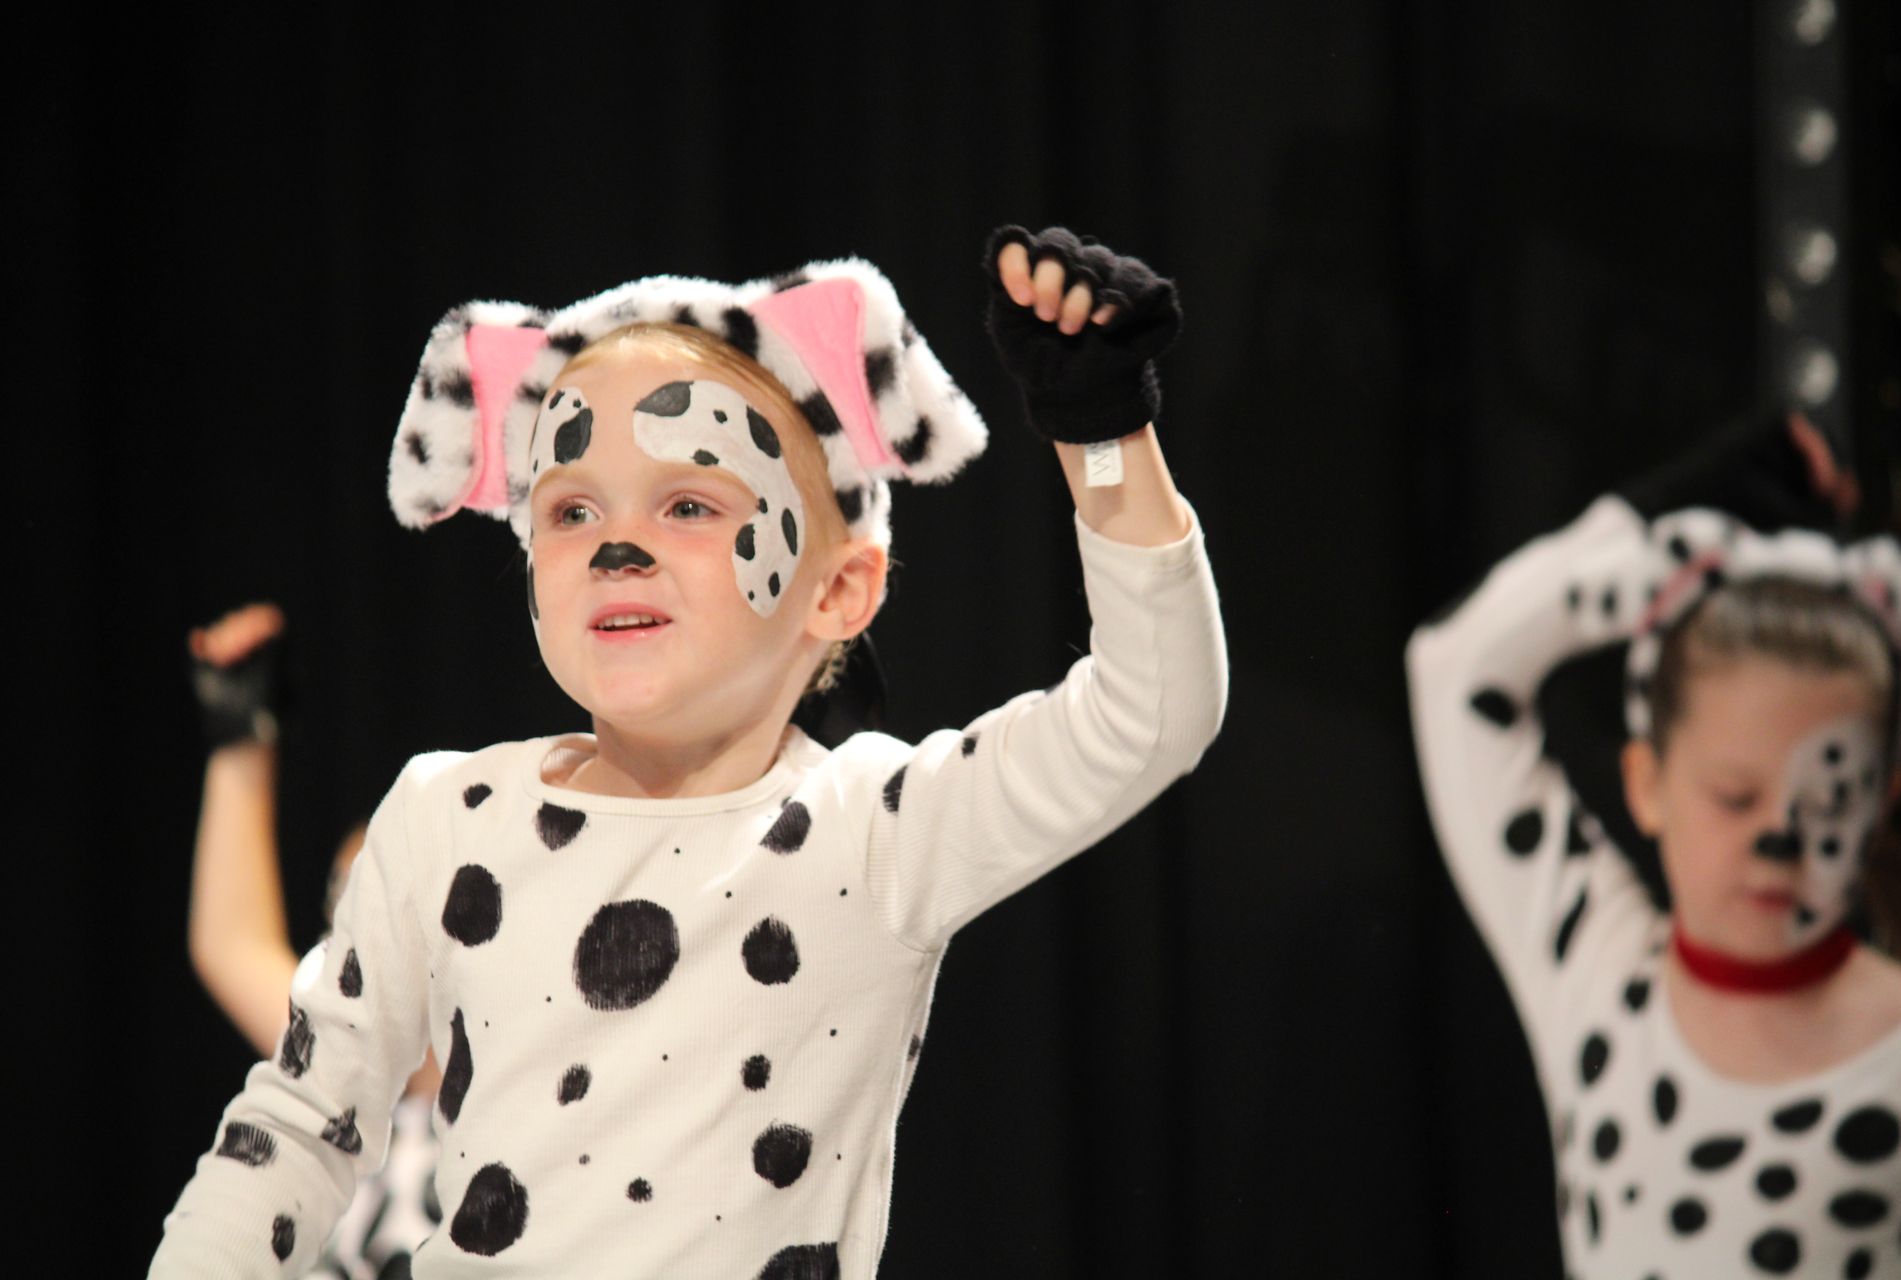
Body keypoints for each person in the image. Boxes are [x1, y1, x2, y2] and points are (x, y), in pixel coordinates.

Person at [150, 225, 1229, 1278]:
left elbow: (1150, 712)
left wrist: (1103, 434)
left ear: (840, 587)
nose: (618, 546)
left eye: (689, 501)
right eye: (571, 507)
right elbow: (296, 1124)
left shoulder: (878, 824)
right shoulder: (443, 815)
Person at [1408, 414, 1901, 1278]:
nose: (1777, 840)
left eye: (1827, 798)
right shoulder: (1595, 977)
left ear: (1882, 799)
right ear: (1646, 783)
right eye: (1735, 796)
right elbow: (1453, 668)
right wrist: (1665, 536)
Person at [187, 603, 442, 1279]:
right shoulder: (341, 1065)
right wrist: (242, 735)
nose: (357, 936)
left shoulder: (537, 1081)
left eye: (381, 903)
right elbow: (233, 942)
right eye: (342, 902)